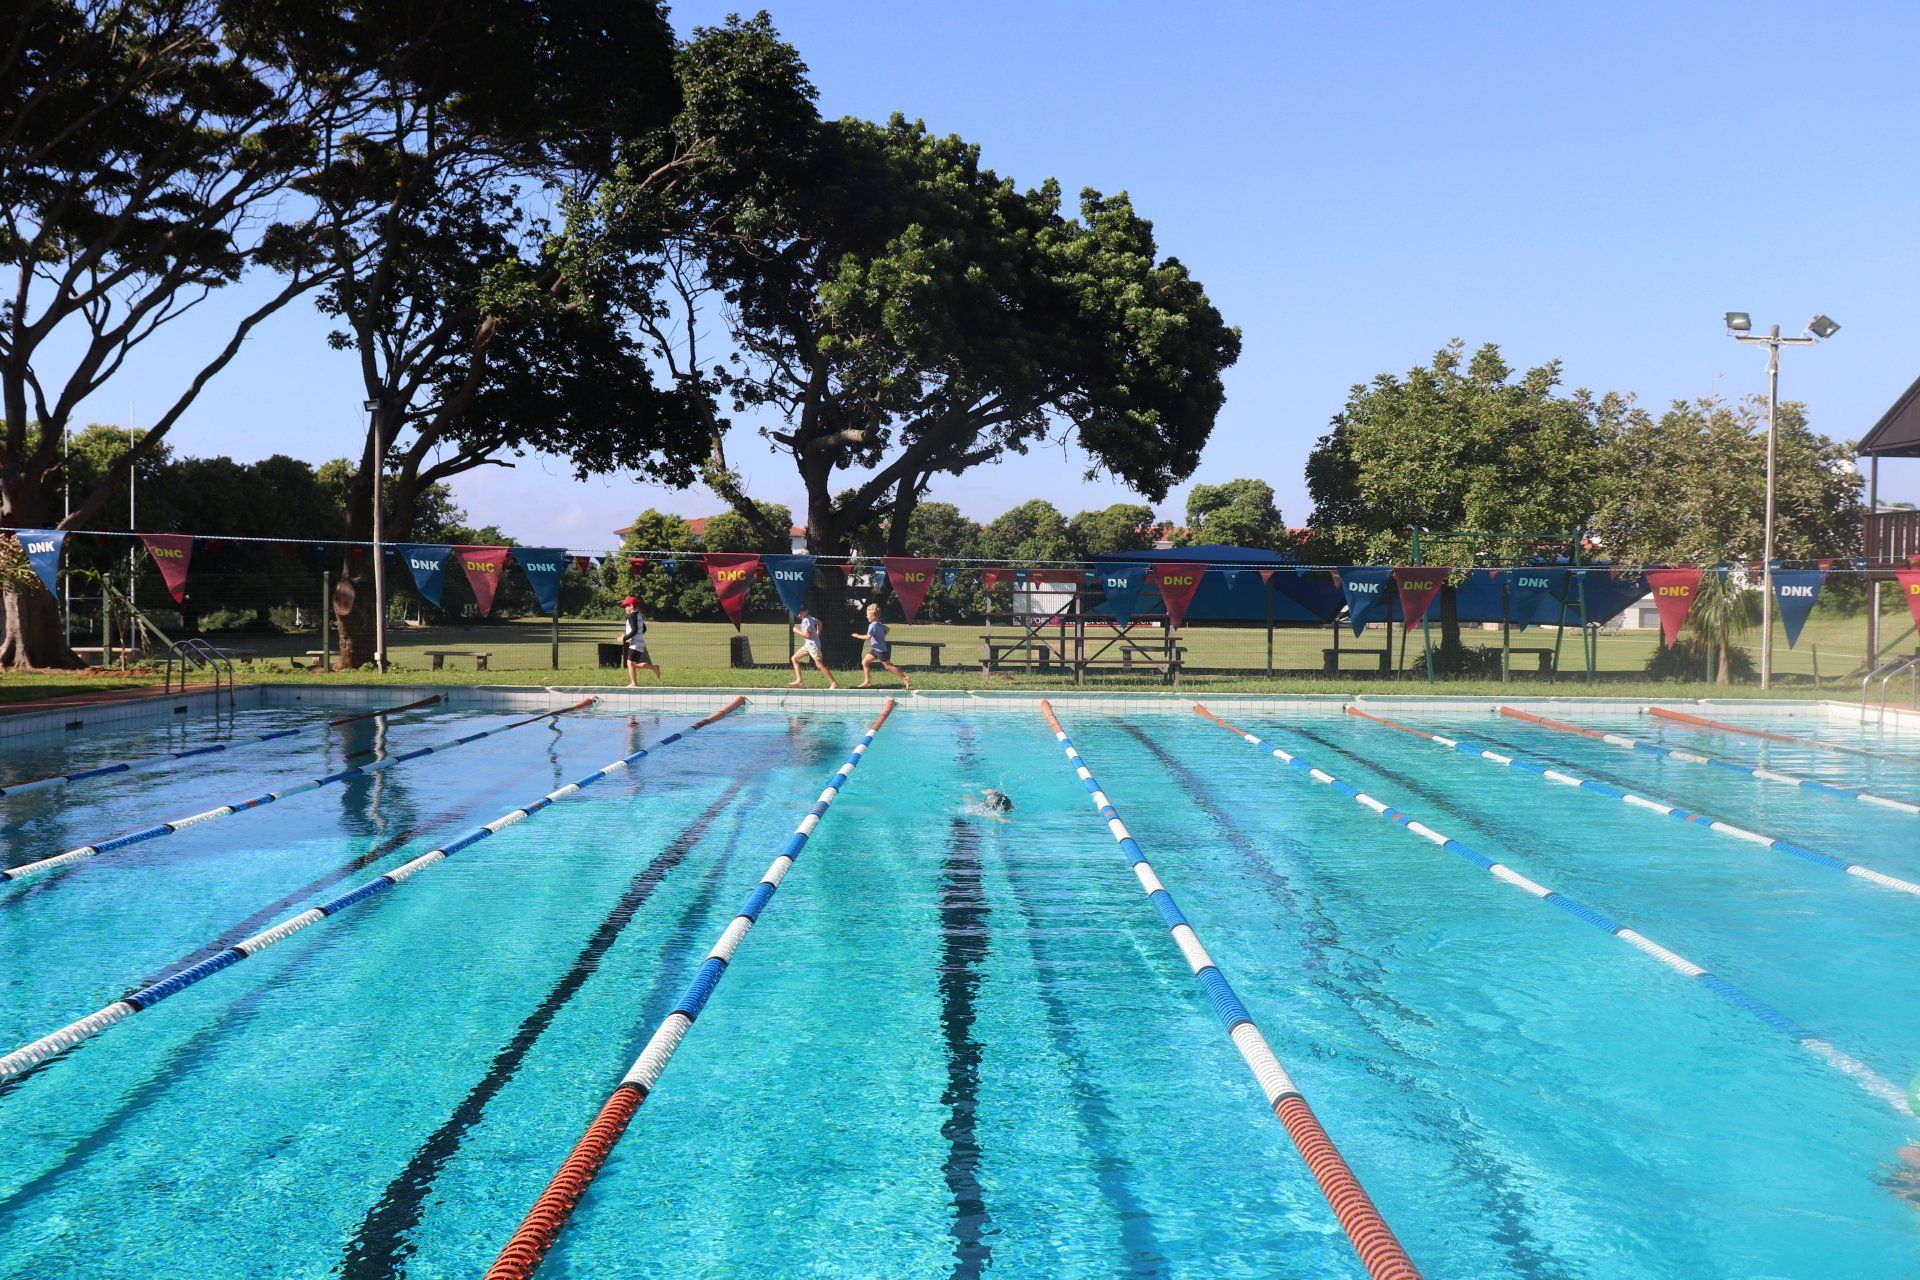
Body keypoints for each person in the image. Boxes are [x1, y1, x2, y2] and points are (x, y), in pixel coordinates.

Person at [853, 601, 911, 689]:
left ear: (873, 616)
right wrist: (882, 636)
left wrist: (857, 635)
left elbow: (868, 637)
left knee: (888, 666)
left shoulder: (872, 625)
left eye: (868, 615)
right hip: (875, 649)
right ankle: (867, 682)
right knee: (865, 662)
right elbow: (888, 629)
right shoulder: (879, 624)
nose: (866, 616)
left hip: (880, 650)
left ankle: (904, 678)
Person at [787, 603, 839, 688]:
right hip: (808, 645)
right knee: (794, 658)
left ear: (806, 611)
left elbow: (807, 635)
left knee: (819, 665)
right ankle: (799, 680)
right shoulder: (810, 617)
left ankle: (834, 683)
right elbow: (820, 623)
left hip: (813, 646)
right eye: (799, 612)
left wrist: (796, 631)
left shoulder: (806, 620)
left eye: (802, 612)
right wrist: (818, 635)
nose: (800, 614)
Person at [619, 596, 661, 685]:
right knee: (633, 664)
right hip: (640, 643)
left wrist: (624, 638)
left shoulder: (631, 616)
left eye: (626, 606)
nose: (625, 608)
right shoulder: (639, 616)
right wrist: (635, 637)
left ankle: (634, 683)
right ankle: (653, 668)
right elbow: (643, 629)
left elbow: (634, 630)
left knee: (630, 664)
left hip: (635, 644)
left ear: (631, 606)